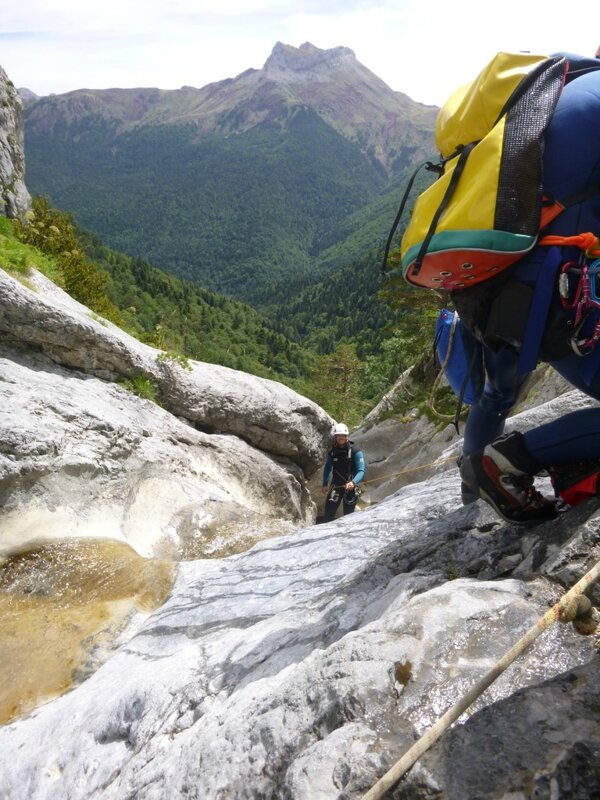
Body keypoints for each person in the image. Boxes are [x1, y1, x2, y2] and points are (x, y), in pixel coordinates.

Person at [458, 51, 600, 525]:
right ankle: (513, 461)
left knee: (496, 394)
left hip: (500, 280)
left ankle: (473, 492)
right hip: (558, 301)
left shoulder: (560, 90)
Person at [321, 423, 365, 521]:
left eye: (343, 436)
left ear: (346, 436)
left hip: (351, 488)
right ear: (336, 437)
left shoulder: (356, 451)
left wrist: (353, 482)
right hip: (336, 486)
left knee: (348, 517)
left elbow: (361, 470)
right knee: (328, 514)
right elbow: (327, 468)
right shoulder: (332, 452)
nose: (341, 438)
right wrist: (324, 484)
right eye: (338, 436)